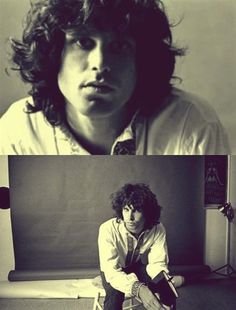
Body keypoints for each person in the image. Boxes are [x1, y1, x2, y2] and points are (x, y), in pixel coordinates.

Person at [0, 0, 229, 155]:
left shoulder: (192, 124)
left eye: (118, 45)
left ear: (142, 61)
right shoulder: (18, 131)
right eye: (83, 42)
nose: (99, 64)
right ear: (54, 52)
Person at [98, 183, 183, 310]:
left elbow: (158, 263)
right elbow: (111, 271)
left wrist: (163, 285)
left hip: (135, 266)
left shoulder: (157, 229)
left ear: (147, 212)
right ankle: (101, 280)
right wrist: (138, 288)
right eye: (126, 209)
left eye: (136, 210)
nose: (130, 218)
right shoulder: (107, 229)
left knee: (166, 288)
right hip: (113, 270)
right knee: (114, 298)